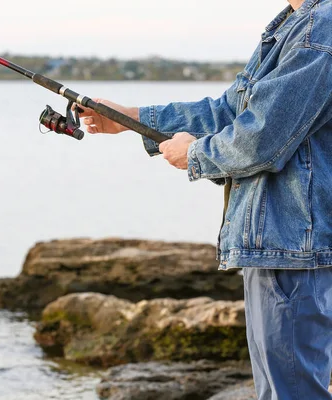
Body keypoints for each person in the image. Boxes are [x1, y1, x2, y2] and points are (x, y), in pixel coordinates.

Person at [78, 0, 332, 399]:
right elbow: (229, 111)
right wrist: (130, 117)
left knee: (291, 391)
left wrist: (195, 154)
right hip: (277, 242)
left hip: (293, 243)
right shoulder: (293, 24)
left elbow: (262, 136)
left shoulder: (321, 26)